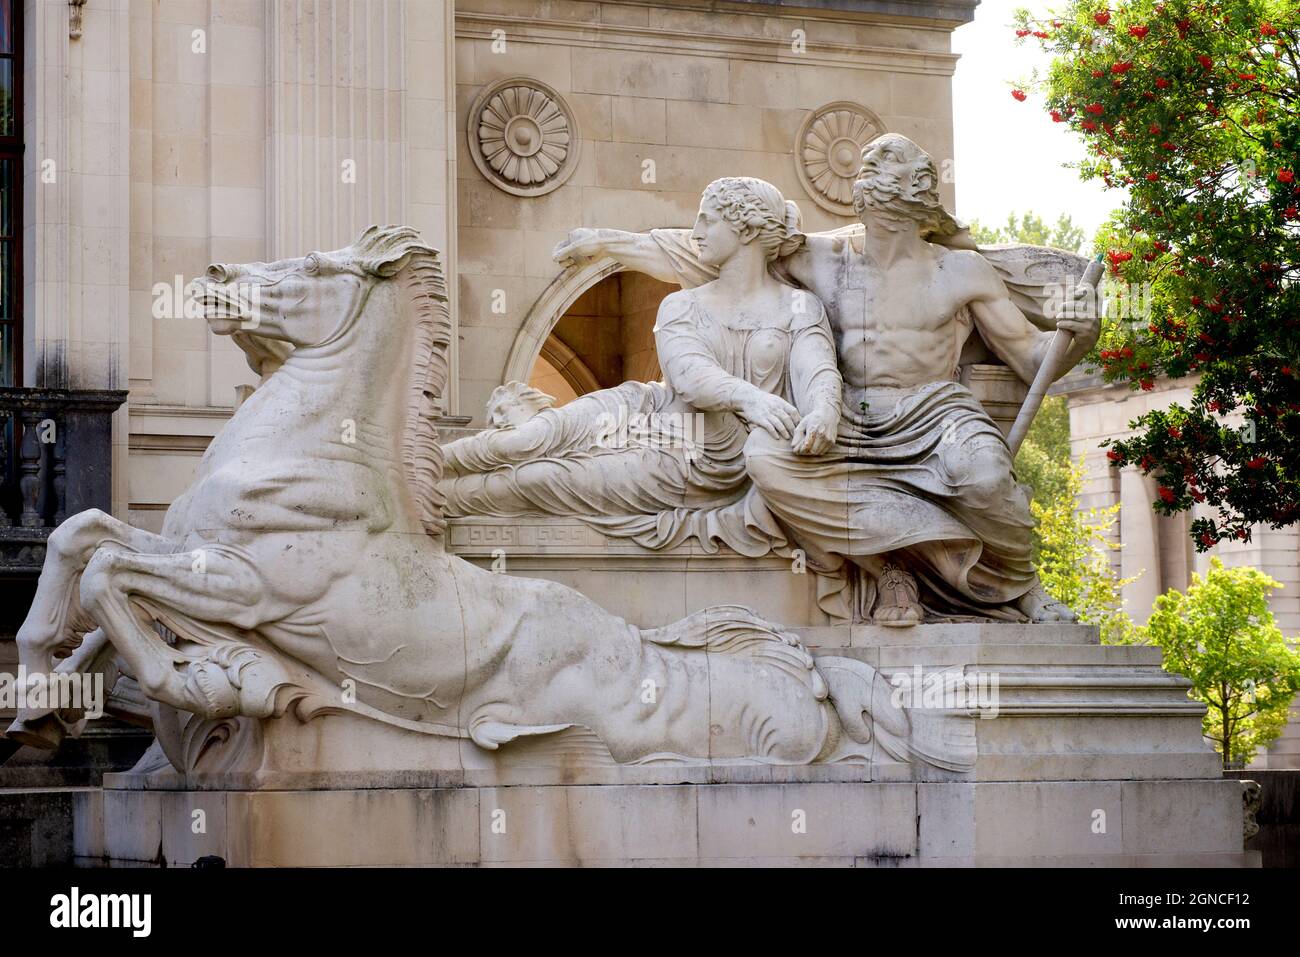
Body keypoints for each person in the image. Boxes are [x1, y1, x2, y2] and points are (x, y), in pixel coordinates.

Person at [553, 134, 1100, 623]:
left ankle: (1020, 589)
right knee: (768, 461)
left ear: (916, 201)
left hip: (939, 412)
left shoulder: (960, 271)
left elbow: (1033, 362)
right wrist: (611, 244)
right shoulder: (823, 259)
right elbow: (711, 252)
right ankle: (890, 564)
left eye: (884, 184)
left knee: (982, 477)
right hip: (849, 414)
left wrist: (1081, 336)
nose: (870, 196)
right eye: (867, 185)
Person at [440, 176, 843, 542]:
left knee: (544, 479)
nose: (696, 233)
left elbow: (818, 370)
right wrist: (752, 399)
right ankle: (416, 467)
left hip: (694, 454)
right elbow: (688, 375)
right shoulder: (681, 304)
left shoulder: (797, 306)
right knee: (530, 438)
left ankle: (432, 498)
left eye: (708, 221)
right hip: (644, 411)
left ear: (748, 229)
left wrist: (823, 412)